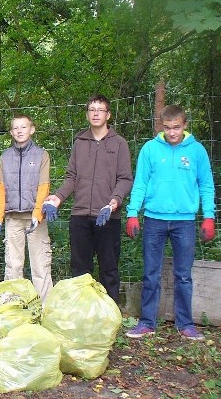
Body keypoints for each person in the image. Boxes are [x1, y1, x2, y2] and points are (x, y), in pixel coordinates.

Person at [125, 105, 215, 341]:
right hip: (154, 219)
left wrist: (209, 216)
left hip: (184, 222)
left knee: (183, 274)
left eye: (176, 127)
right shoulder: (150, 150)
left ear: (185, 125)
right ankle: (147, 323)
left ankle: (185, 324)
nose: (172, 133)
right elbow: (141, 183)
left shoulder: (197, 151)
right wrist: (132, 212)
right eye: (167, 128)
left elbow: (206, 185)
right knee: (151, 273)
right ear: (161, 126)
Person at [44, 94, 133, 303]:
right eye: (92, 109)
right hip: (80, 216)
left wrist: (113, 202)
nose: (95, 113)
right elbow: (71, 178)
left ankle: (110, 314)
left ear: (108, 115)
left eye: (100, 110)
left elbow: (125, 179)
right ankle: (80, 314)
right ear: (87, 114)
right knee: (80, 269)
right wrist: (57, 198)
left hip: (107, 217)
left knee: (109, 269)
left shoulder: (119, 143)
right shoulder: (80, 142)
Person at [0, 114, 53, 301]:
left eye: (24, 127)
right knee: (13, 265)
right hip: (12, 218)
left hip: (34, 219)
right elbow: (0, 189)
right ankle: (14, 307)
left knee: (40, 265)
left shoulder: (41, 155)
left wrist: (38, 214)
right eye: (16, 128)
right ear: (11, 132)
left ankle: (45, 308)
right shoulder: (5, 157)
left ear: (32, 130)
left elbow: (44, 186)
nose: (20, 131)